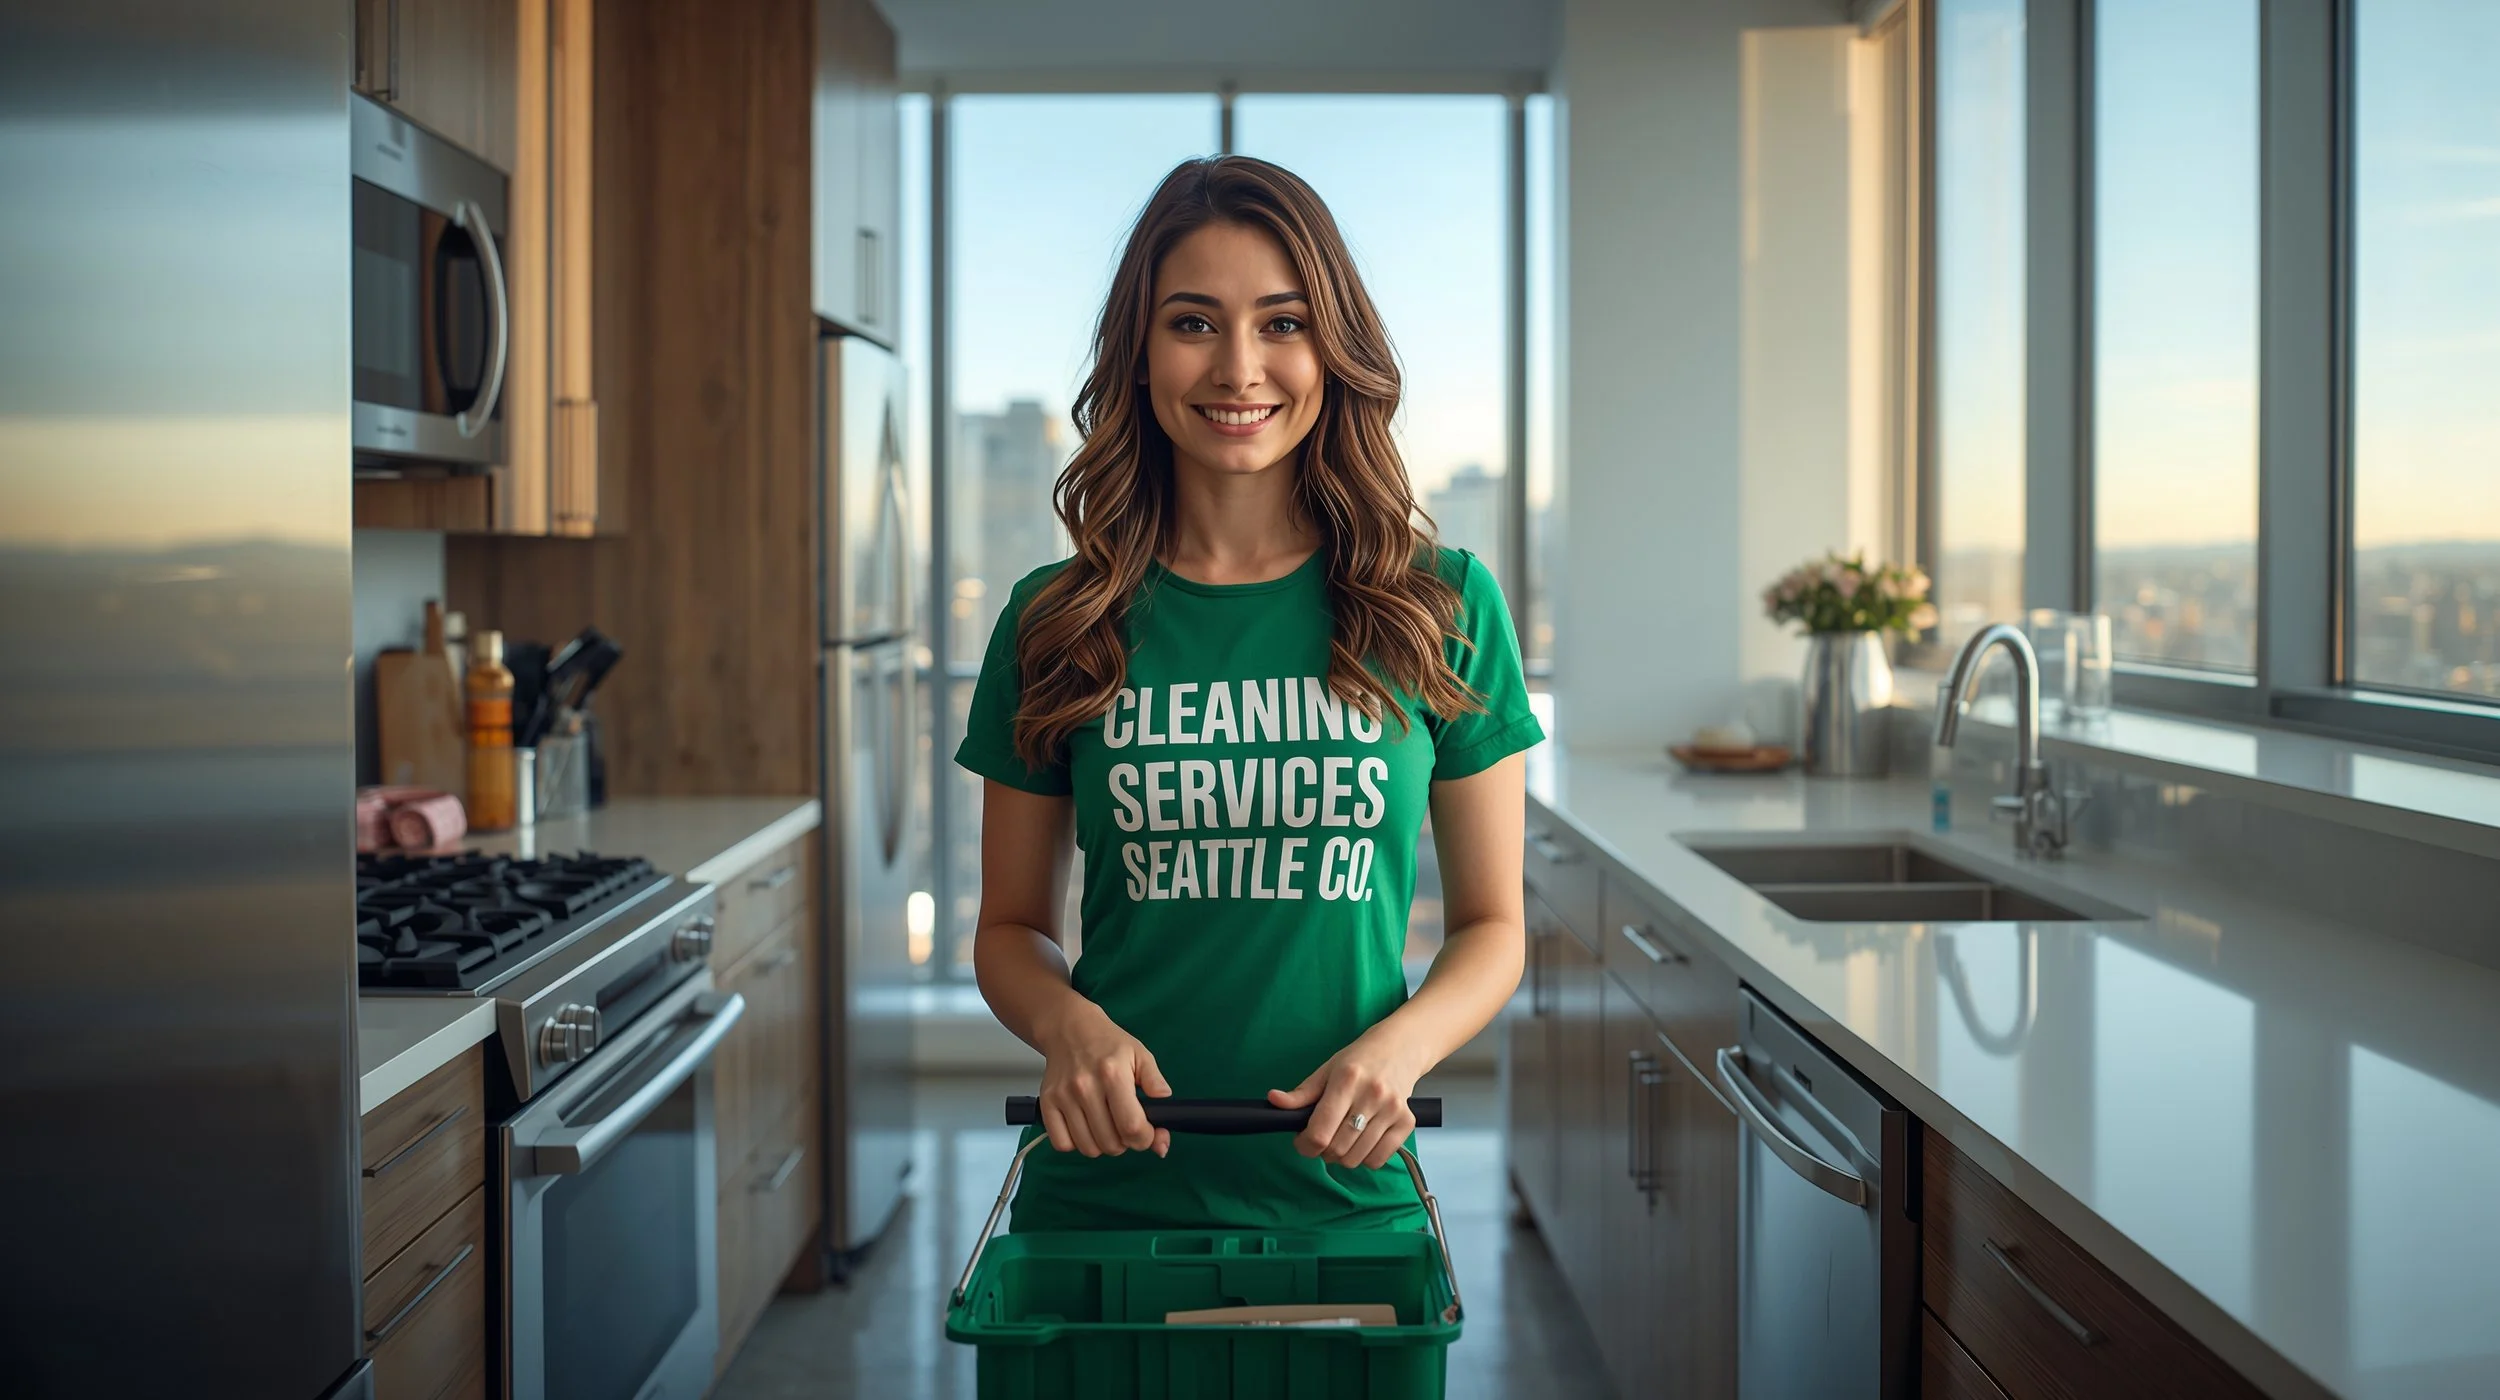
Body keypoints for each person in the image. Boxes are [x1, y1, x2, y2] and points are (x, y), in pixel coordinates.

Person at [954, 154, 1543, 1235]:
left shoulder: (1438, 602)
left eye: (1281, 323)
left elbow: (1493, 925)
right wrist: (1067, 1027)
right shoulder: (1057, 618)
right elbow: (1009, 928)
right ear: (1138, 353)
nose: (1237, 368)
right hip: (1104, 1202)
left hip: (1344, 1202)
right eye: (1192, 323)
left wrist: (1397, 1048)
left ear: (1333, 347)